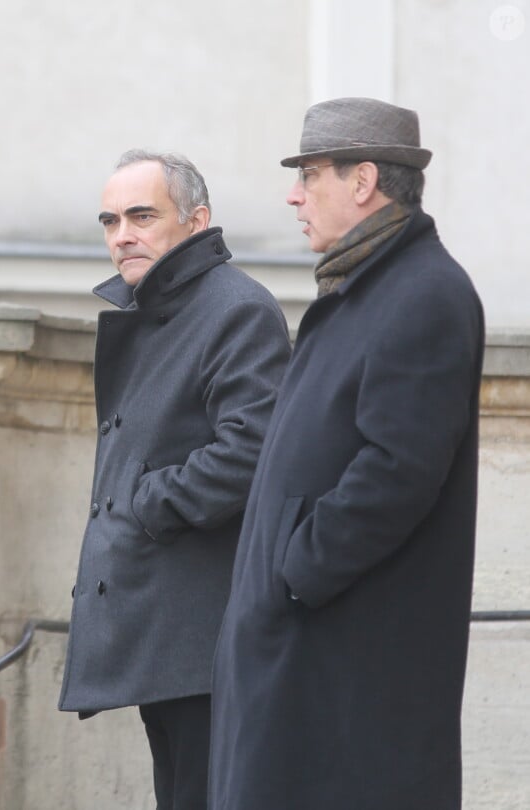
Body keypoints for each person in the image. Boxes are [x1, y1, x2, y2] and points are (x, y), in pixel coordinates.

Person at [209, 98, 485, 810]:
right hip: (307, 650)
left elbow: (398, 470)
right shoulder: (361, 288)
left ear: (362, 181)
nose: (293, 195)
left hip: (343, 663)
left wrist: (295, 574)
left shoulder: (424, 292)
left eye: (310, 175)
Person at [58, 150, 291, 810]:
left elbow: (251, 453)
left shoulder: (235, 307)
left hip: (202, 638)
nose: (122, 234)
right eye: (110, 220)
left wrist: (144, 504)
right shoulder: (161, 308)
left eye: (142, 215)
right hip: (164, 633)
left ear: (196, 221)